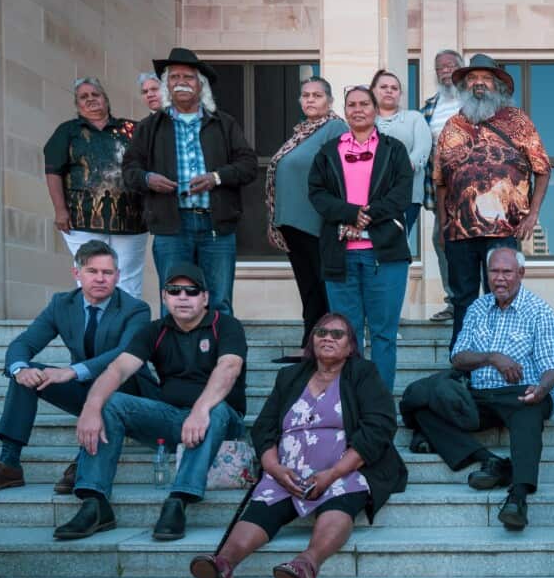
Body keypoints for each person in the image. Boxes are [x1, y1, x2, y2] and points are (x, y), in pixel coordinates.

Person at [188, 312, 407, 578]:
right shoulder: (290, 376)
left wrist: (333, 473)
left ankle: (306, 565)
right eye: (320, 332)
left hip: (344, 470)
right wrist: (274, 468)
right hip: (286, 472)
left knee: (339, 504)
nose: (328, 337)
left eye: (337, 334)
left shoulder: (362, 374)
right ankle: (223, 564)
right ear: (311, 340)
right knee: (262, 507)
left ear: (350, 347)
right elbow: (264, 426)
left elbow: (379, 426)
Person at [55, 261, 247, 541]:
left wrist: (200, 409)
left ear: (205, 298)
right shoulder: (154, 330)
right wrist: (91, 408)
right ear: (164, 296)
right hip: (171, 419)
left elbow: (228, 368)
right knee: (112, 403)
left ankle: (178, 500)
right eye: (175, 290)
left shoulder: (226, 326)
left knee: (215, 410)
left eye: (192, 291)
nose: (183, 297)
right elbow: (118, 369)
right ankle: (95, 502)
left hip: (221, 421)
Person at [0, 241, 155, 495]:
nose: (100, 279)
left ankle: (86, 460)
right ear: (77, 274)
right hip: (84, 389)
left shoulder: (135, 309)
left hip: (129, 394)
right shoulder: (62, 304)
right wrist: (21, 370)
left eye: (107, 273)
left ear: (117, 276)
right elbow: (24, 343)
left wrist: (73, 370)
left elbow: (124, 353)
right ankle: (9, 464)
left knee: (113, 382)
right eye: (92, 271)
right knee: (27, 374)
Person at [408, 248, 554, 530]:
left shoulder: (540, 311)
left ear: (521, 274)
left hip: (522, 394)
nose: (499, 279)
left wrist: (541, 390)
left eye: (507, 272)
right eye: (494, 272)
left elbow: (552, 366)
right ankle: (493, 462)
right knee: (423, 406)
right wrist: (492, 357)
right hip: (479, 396)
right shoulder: (478, 308)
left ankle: (518, 496)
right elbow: (458, 357)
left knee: (528, 412)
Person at [121, 47, 259, 315]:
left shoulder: (224, 123)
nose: (181, 82)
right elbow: (129, 170)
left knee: (218, 302)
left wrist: (216, 177)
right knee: (174, 301)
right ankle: (174, 358)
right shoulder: (149, 127)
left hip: (216, 225)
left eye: (188, 77)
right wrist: (148, 179)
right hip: (171, 226)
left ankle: (221, 357)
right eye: (173, 77)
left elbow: (248, 165)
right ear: (166, 86)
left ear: (201, 86)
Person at [432, 54, 551, 347]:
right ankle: (461, 360)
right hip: (460, 231)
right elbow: (440, 181)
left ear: (497, 85)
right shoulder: (452, 125)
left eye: (485, 78)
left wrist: (533, 214)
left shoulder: (518, 120)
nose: (478, 84)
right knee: (463, 299)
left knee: (502, 295)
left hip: (504, 230)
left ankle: (501, 353)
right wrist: (444, 222)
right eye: (472, 79)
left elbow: (543, 169)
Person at [308, 84, 413, 393]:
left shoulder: (394, 150)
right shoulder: (328, 152)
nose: (358, 109)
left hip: (386, 257)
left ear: (375, 108)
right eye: (351, 104)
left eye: (364, 103)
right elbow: (317, 194)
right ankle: (350, 401)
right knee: (346, 335)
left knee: (383, 334)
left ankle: (378, 403)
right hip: (341, 257)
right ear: (345, 110)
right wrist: (351, 212)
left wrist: (369, 214)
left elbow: (402, 193)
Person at [263, 76, 348, 357]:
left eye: (317, 95)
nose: (310, 100)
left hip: (316, 223)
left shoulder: (334, 127)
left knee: (321, 286)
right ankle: (310, 343)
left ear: (329, 101)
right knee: (308, 286)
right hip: (292, 224)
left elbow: (339, 173)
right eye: (306, 95)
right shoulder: (302, 132)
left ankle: (324, 343)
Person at [44, 77, 146, 299]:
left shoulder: (132, 129)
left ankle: (127, 330)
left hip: (131, 218)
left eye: (95, 94)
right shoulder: (67, 131)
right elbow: (53, 171)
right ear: (77, 105)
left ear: (106, 99)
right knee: (92, 278)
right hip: (83, 218)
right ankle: (94, 328)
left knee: (127, 278)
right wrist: (60, 210)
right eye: (84, 96)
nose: (90, 99)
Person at [422, 49, 465, 322]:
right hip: (443, 189)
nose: (445, 70)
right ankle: (454, 300)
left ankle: (486, 300)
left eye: (450, 65)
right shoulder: (429, 107)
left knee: (481, 246)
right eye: (439, 68)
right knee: (442, 242)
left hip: (477, 188)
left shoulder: (474, 101)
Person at [371, 68, 432, 235]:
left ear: (400, 94)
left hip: (406, 195)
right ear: (373, 91)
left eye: (394, 88)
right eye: (383, 87)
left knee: (396, 242)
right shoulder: (365, 119)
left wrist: (399, 171)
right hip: (369, 195)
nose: (389, 90)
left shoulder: (414, 118)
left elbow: (422, 149)